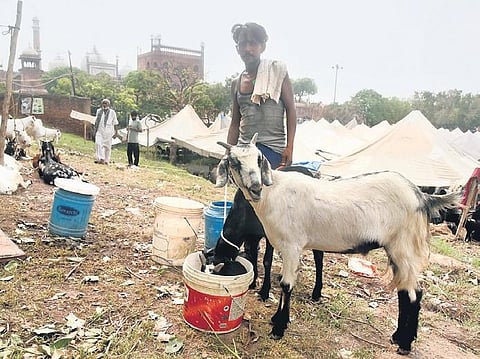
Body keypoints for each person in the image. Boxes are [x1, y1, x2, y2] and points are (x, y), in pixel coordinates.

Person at [227, 22, 297, 169]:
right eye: (243, 44)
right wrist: (228, 153)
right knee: (244, 191)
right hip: (244, 152)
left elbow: (291, 110)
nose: (247, 49)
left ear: (262, 47)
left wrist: (289, 147)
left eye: (252, 43)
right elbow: (234, 123)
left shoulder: (277, 72)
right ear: (237, 49)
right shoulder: (236, 83)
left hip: (272, 151)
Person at [94, 98, 118, 165]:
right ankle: (101, 158)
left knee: (107, 147)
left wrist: (116, 132)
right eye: (103, 103)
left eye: (106, 103)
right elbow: (96, 121)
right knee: (98, 143)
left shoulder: (112, 112)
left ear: (109, 104)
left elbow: (115, 123)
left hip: (108, 132)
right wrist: (94, 130)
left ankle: (106, 160)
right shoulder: (98, 111)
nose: (104, 104)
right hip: (99, 131)